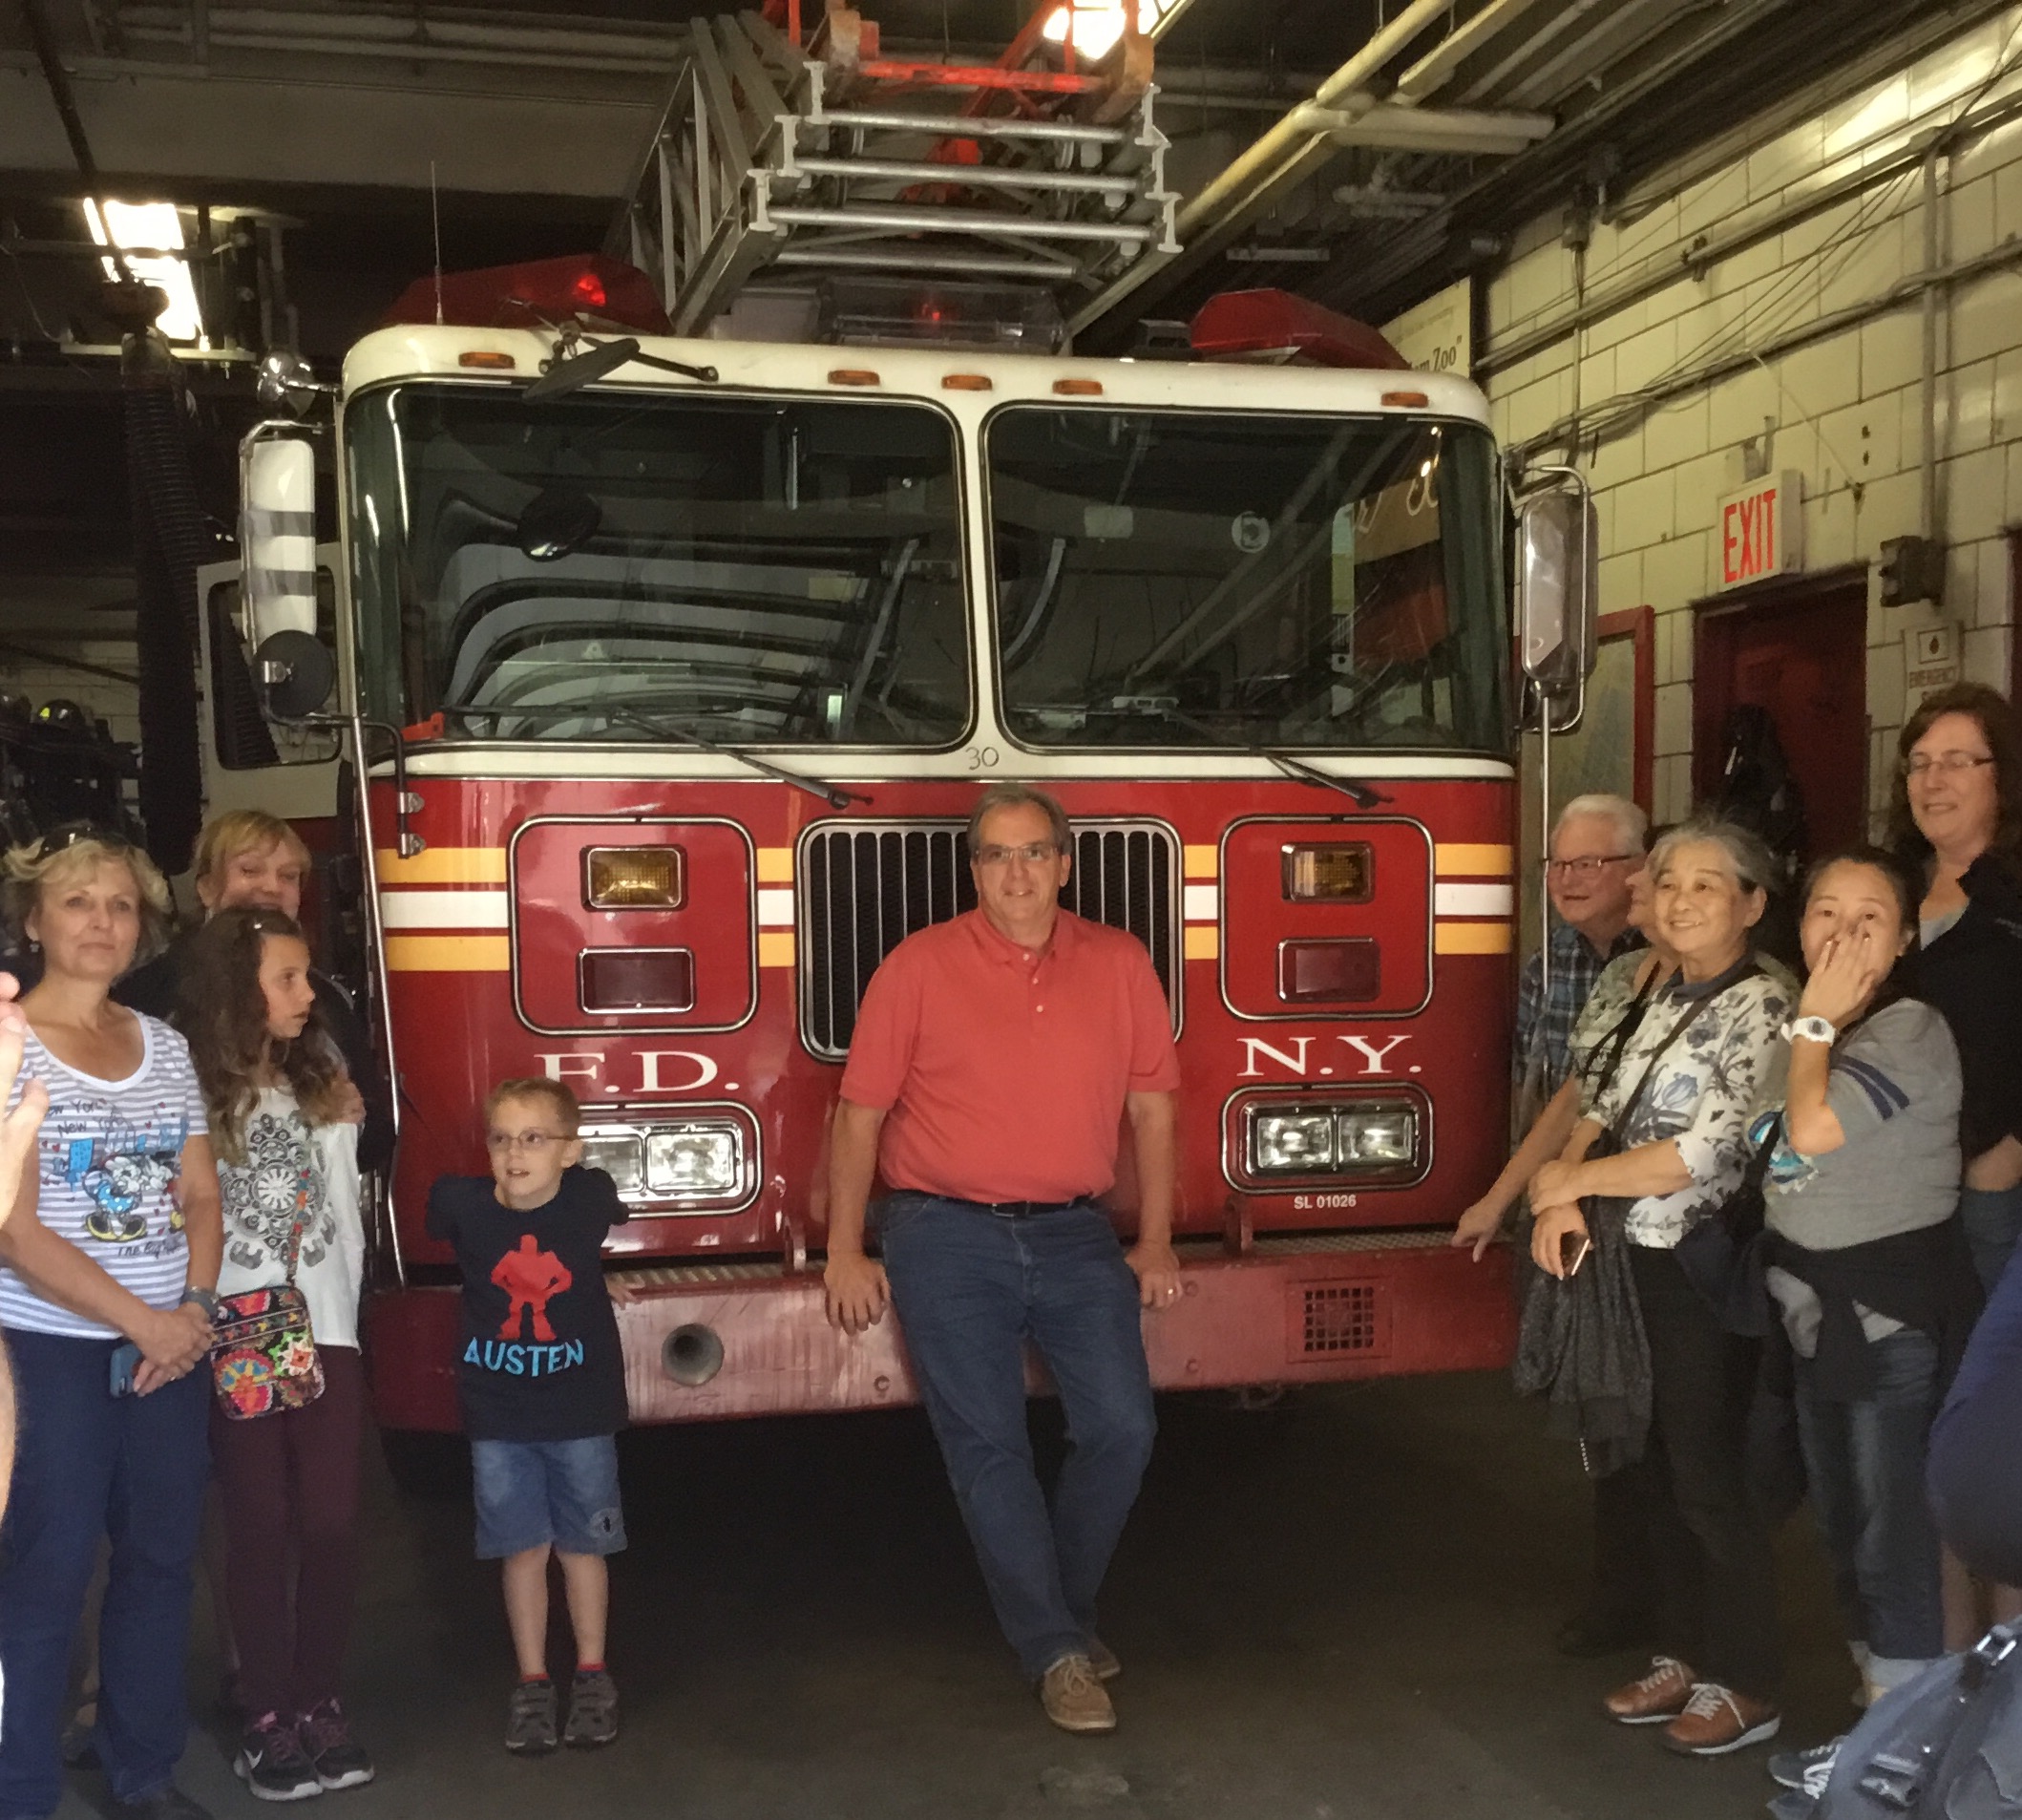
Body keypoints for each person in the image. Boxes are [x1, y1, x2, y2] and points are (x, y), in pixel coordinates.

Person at [822, 781, 1181, 1736]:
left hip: (1074, 1229)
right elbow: (859, 1114)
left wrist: (1152, 1238)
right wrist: (845, 1248)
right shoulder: (918, 965)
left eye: (1033, 853)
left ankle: (1051, 1608)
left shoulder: (1120, 961)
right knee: (988, 1445)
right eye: (996, 855)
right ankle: (1058, 1649)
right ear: (974, 869)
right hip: (942, 1231)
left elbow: (1153, 1108)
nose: (1016, 872)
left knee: (1124, 1428)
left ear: (1065, 864)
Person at [1528, 819, 1795, 1757]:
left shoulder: (1765, 1006)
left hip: (1698, 1267)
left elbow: (1707, 1149)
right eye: (1671, 882)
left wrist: (1573, 1183)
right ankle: (1683, 1649)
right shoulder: (1664, 991)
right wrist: (1557, 1191)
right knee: (1648, 1464)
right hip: (1627, 1256)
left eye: (1708, 887)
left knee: (1708, 1474)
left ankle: (1749, 1676)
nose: (1680, 901)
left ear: (1754, 904)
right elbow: (1602, 1105)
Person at [0, 827, 222, 1820]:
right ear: (35, 920)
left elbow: (202, 1196)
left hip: (167, 1349)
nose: (102, 920)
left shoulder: (165, 1047)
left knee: (159, 1561)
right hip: (47, 1352)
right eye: (80, 901)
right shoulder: (8, 1050)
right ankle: (23, 1789)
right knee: (45, 1572)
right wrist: (144, 1319)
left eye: (122, 904)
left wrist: (194, 1311)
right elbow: (12, 1227)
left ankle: (140, 1770)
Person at [1751, 849, 1980, 1794]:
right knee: (1844, 1525)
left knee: (1893, 1538)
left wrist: (1809, 1022)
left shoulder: (1910, 1029)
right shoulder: (1807, 1032)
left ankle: (1901, 1756)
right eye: (1825, 912)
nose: (1841, 935)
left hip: (1888, 1329)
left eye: (1870, 918)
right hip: (1815, 1327)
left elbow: (1808, 1133)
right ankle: (1878, 1723)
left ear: (1906, 937)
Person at [179, 908, 373, 1800]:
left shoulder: (320, 1077)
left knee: (331, 1522)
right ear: (236, 990)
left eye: (306, 976)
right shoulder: (194, 1091)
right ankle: (265, 1713)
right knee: (258, 1524)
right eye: (286, 979)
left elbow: (344, 1217)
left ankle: (317, 1697)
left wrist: (340, 1125)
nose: (306, 995)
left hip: (326, 1325)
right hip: (241, 1327)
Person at [426, 1077, 630, 1756]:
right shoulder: (465, 1206)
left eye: (535, 1139)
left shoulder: (589, 1200)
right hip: (499, 1417)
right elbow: (438, 1216)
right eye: (502, 1139)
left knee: (584, 1547)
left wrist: (604, 1280)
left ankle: (593, 1674)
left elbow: (599, 1230)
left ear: (569, 1152)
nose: (516, 1153)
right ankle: (534, 1682)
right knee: (521, 1550)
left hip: (580, 1411)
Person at [1885, 682, 2022, 1637]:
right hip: (1894, 1195)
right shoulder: (1885, 888)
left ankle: (2006, 1689)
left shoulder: (2015, 896)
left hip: (1988, 1192)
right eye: (1920, 761)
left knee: (1991, 1428)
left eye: (1957, 760)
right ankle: (1945, 1678)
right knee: (1921, 1421)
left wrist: (2010, 1148)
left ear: (2000, 778)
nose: (1934, 780)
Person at [116, 813, 390, 1175]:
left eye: (288, 877)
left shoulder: (325, 997)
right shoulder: (147, 994)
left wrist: (355, 1116)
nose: (271, 887)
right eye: (250, 870)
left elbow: (377, 1141)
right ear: (206, 887)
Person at [1512, 794, 1649, 1114]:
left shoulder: (1668, 955)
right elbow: (1525, 1086)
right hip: (1562, 1150)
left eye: (1586, 865)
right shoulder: (1548, 959)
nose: (1565, 880)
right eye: (1557, 864)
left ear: (1639, 866)